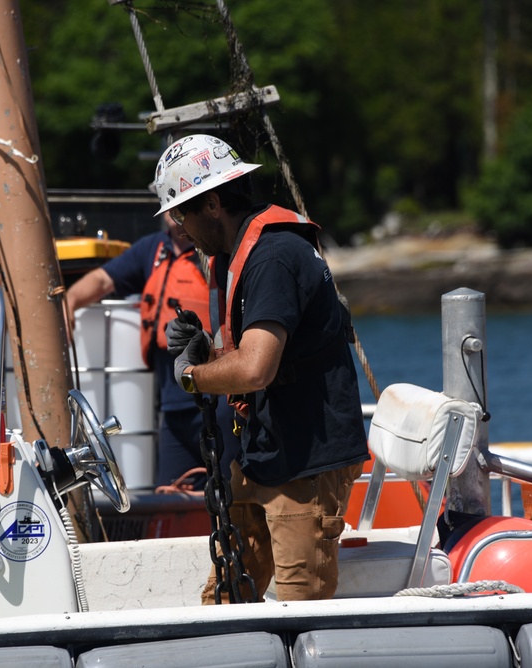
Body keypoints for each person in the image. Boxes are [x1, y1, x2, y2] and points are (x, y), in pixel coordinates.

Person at [156, 134, 369, 602]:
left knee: (300, 606)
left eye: (181, 214)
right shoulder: (246, 255)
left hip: (306, 464)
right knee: (225, 597)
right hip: (268, 455)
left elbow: (255, 370)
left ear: (212, 204)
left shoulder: (272, 257)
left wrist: (192, 375)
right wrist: (206, 355)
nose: (179, 229)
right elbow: (262, 355)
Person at [64, 211, 239, 490]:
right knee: (169, 494)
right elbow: (102, 280)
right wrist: (71, 299)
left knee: (233, 494)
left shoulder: (217, 250)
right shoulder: (153, 250)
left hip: (220, 403)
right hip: (174, 409)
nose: (173, 211)